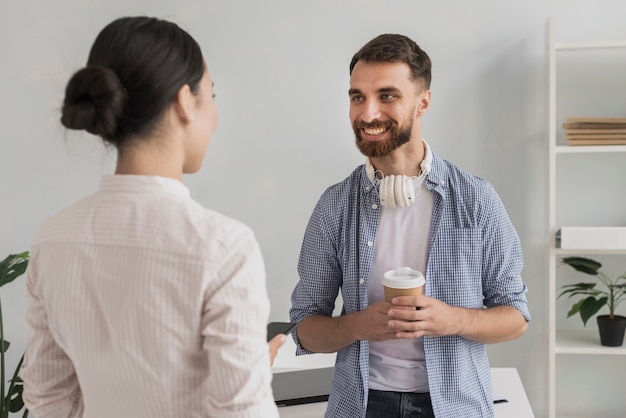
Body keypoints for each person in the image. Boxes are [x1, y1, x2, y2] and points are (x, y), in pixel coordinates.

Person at [21, 16, 283, 418]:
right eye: (211, 96)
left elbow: (48, 401)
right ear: (183, 101)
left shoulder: (52, 239)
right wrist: (253, 377)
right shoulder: (224, 246)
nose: (214, 118)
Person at [289, 34, 530, 418]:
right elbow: (304, 329)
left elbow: (515, 318)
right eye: (357, 97)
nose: (367, 114)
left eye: (387, 96)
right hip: (362, 406)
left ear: (423, 103)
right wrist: (356, 326)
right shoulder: (334, 206)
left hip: (456, 406)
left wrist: (452, 319)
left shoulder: (477, 199)